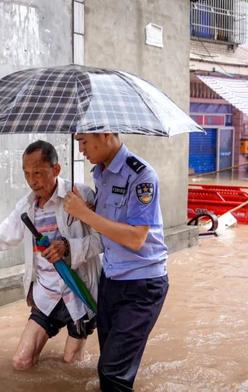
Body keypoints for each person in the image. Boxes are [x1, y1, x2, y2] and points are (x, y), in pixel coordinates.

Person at [0, 140, 102, 370]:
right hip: (47, 294)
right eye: (27, 174)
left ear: (56, 169)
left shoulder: (81, 195)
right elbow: (2, 235)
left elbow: (103, 240)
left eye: (38, 173)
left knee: (71, 365)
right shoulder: (26, 207)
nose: (32, 181)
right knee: (21, 362)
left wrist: (68, 247)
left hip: (79, 293)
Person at [64, 133, 169, 392]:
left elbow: (136, 238)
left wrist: (86, 214)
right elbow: (110, 224)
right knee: (108, 367)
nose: (81, 149)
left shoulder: (142, 176)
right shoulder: (102, 173)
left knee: (113, 374)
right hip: (111, 278)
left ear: (107, 134)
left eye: (85, 141)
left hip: (142, 284)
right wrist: (88, 209)